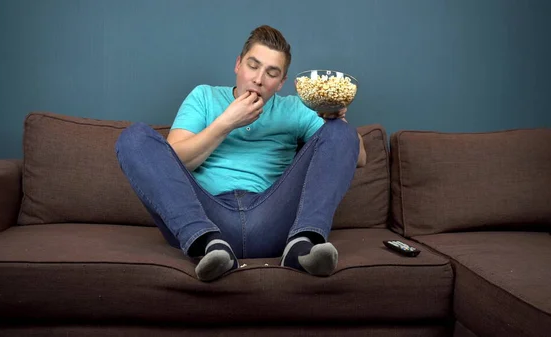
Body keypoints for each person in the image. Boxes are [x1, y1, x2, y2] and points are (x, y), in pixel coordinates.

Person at [115, 25, 367, 282]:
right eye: (253, 65)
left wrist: (335, 118)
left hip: (272, 218)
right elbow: (174, 162)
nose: (258, 79)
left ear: (281, 83)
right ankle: (208, 245)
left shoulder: (295, 108)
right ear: (238, 64)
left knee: (341, 130)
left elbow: (359, 157)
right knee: (133, 138)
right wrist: (225, 123)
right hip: (205, 216)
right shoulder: (204, 96)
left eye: (271, 73)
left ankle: (302, 245)